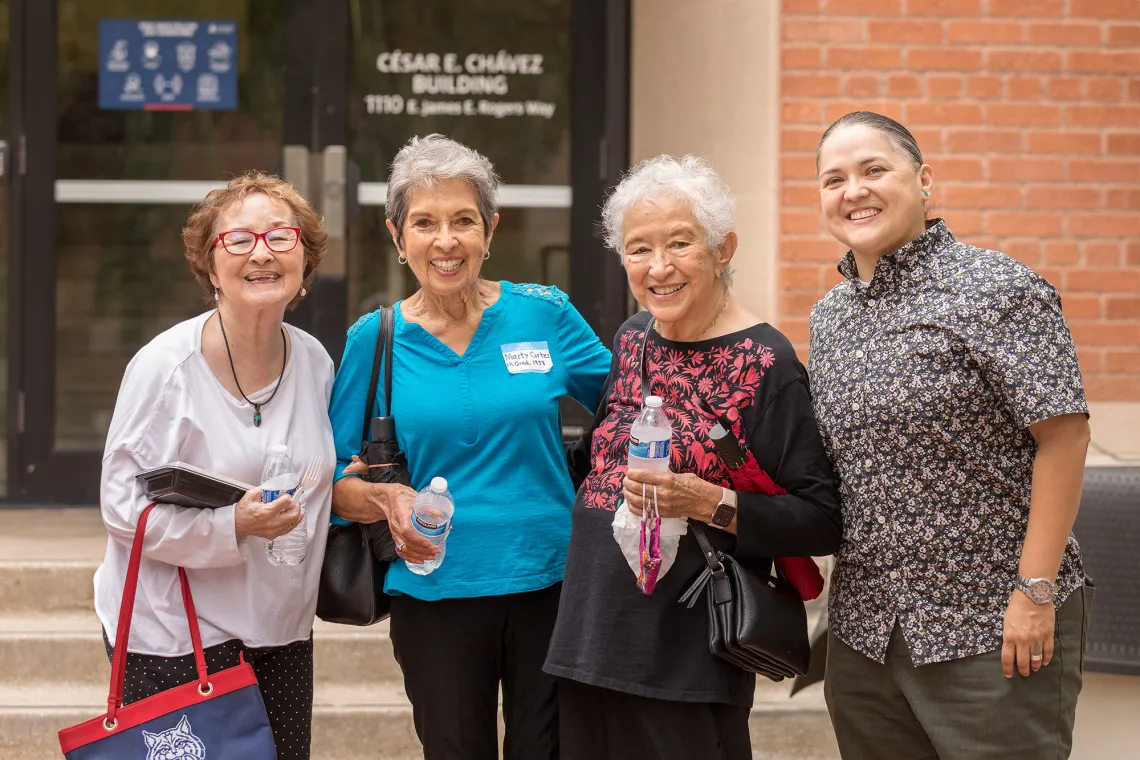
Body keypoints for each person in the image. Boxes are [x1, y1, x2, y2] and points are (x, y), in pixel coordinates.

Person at [810, 111, 1095, 760]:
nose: (853, 190)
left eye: (873, 170)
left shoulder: (998, 289)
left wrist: (1035, 591)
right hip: (865, 637)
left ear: (924, 180)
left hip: (992, 622)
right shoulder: (828, 318)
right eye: (834, 179)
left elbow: (1065, 438)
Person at [543, 155, 843, 760]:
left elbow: (821, 517)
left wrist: (709, 502)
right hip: (589, 638)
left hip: (684, 659)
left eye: (680, 243)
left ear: (723, 248)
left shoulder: (767, 362)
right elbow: (598, 460)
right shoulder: (632, 337)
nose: (659, 268)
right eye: (639, 249)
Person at [329, 134, 611, 760]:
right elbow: (330, 486)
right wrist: (385, 501)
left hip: (552, 582)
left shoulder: (546, 315)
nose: (445, 241)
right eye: (424, 223)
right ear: (398, 236)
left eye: (463, 220)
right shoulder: (373, 341)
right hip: (435, 594)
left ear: (491, 229)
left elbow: (628, 404)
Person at [95, 171, 335, 760]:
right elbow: (121, 506)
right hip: (177, 632)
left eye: (282, 237)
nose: (262, 253)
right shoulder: (165, 369)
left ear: (304, 258)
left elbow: (326, 475)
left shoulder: (316, 361)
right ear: (210, 262)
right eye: (240, 239)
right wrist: (232, 527)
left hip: (280, 627)